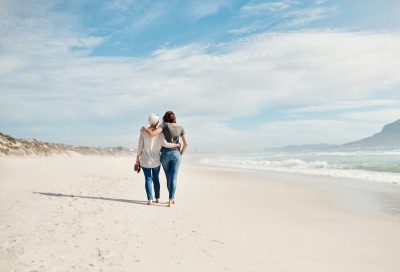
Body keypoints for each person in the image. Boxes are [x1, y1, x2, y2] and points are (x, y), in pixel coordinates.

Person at [142, 111, 188, 208]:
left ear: (165, 118)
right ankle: (171, 200)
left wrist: (144, 129)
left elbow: (153, 133)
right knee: (174, 177)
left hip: (166, 154)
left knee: (168, 177)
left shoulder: (164, 125)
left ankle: (169, 200)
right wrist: (180, 155)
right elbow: (186, 144)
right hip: (176, 154)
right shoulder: (181, 128)